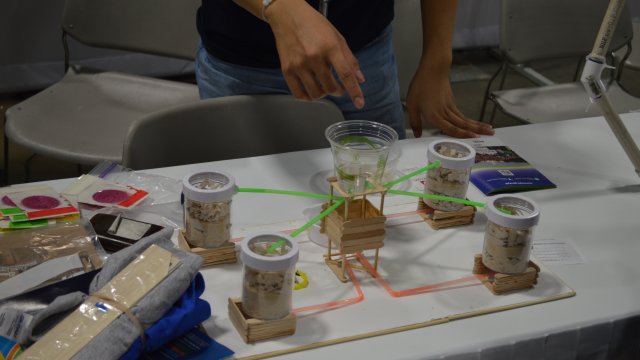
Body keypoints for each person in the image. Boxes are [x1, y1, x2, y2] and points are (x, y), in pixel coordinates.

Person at [195, 0, 494, 139]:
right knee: (242, 213)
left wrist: (437, 60)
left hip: (363, 59)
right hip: (242, 64)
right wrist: (278, 6)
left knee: (381, 203)